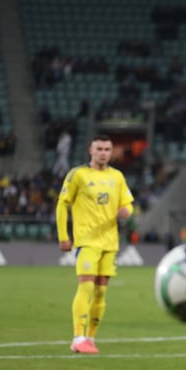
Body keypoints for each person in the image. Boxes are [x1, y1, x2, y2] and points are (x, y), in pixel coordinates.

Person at [56, 134, 134, 354]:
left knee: (100, 292)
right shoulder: (78, 174)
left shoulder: (117, 177)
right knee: (86, 286)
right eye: (99, 149)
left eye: (107, 149)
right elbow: (62, 204)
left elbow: (128, 204)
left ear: (111, 152)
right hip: (87, 241)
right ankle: (78, 337)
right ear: (91, 150)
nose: (103, 153)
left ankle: (90, 338)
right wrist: (63, 236)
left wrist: (126, 211)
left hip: (110, 243)